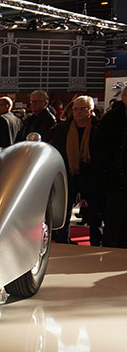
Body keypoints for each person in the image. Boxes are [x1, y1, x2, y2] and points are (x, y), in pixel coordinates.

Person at [50, 96, 102, 245]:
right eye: (76, 109)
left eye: (83, 109)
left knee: (95, 213)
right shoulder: (63, 129)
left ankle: (96, 243)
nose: (78, 112)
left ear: (90, 110)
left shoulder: (98, 128)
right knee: (65, 211)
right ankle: (62, 241)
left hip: (91, 175)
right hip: (69, 174)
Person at [97, 89, 127, 247]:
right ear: (123, 97)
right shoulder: (111, 118)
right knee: (115, 216)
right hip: (115, 176)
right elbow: (101, 148)